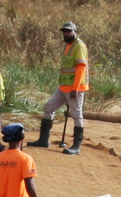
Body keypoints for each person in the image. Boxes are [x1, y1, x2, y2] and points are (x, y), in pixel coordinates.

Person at [34, 20, 88, 155]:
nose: (65, 33)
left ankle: (76, 146)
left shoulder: (79, 46)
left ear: (75, 31)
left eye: (68, 31)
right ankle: (43, 140)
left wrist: (75, 88)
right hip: (63, 87)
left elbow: (81, 67)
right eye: (64, 31)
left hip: (75, 88)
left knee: (76, 115)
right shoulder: (68, 46)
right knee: (48, 106)